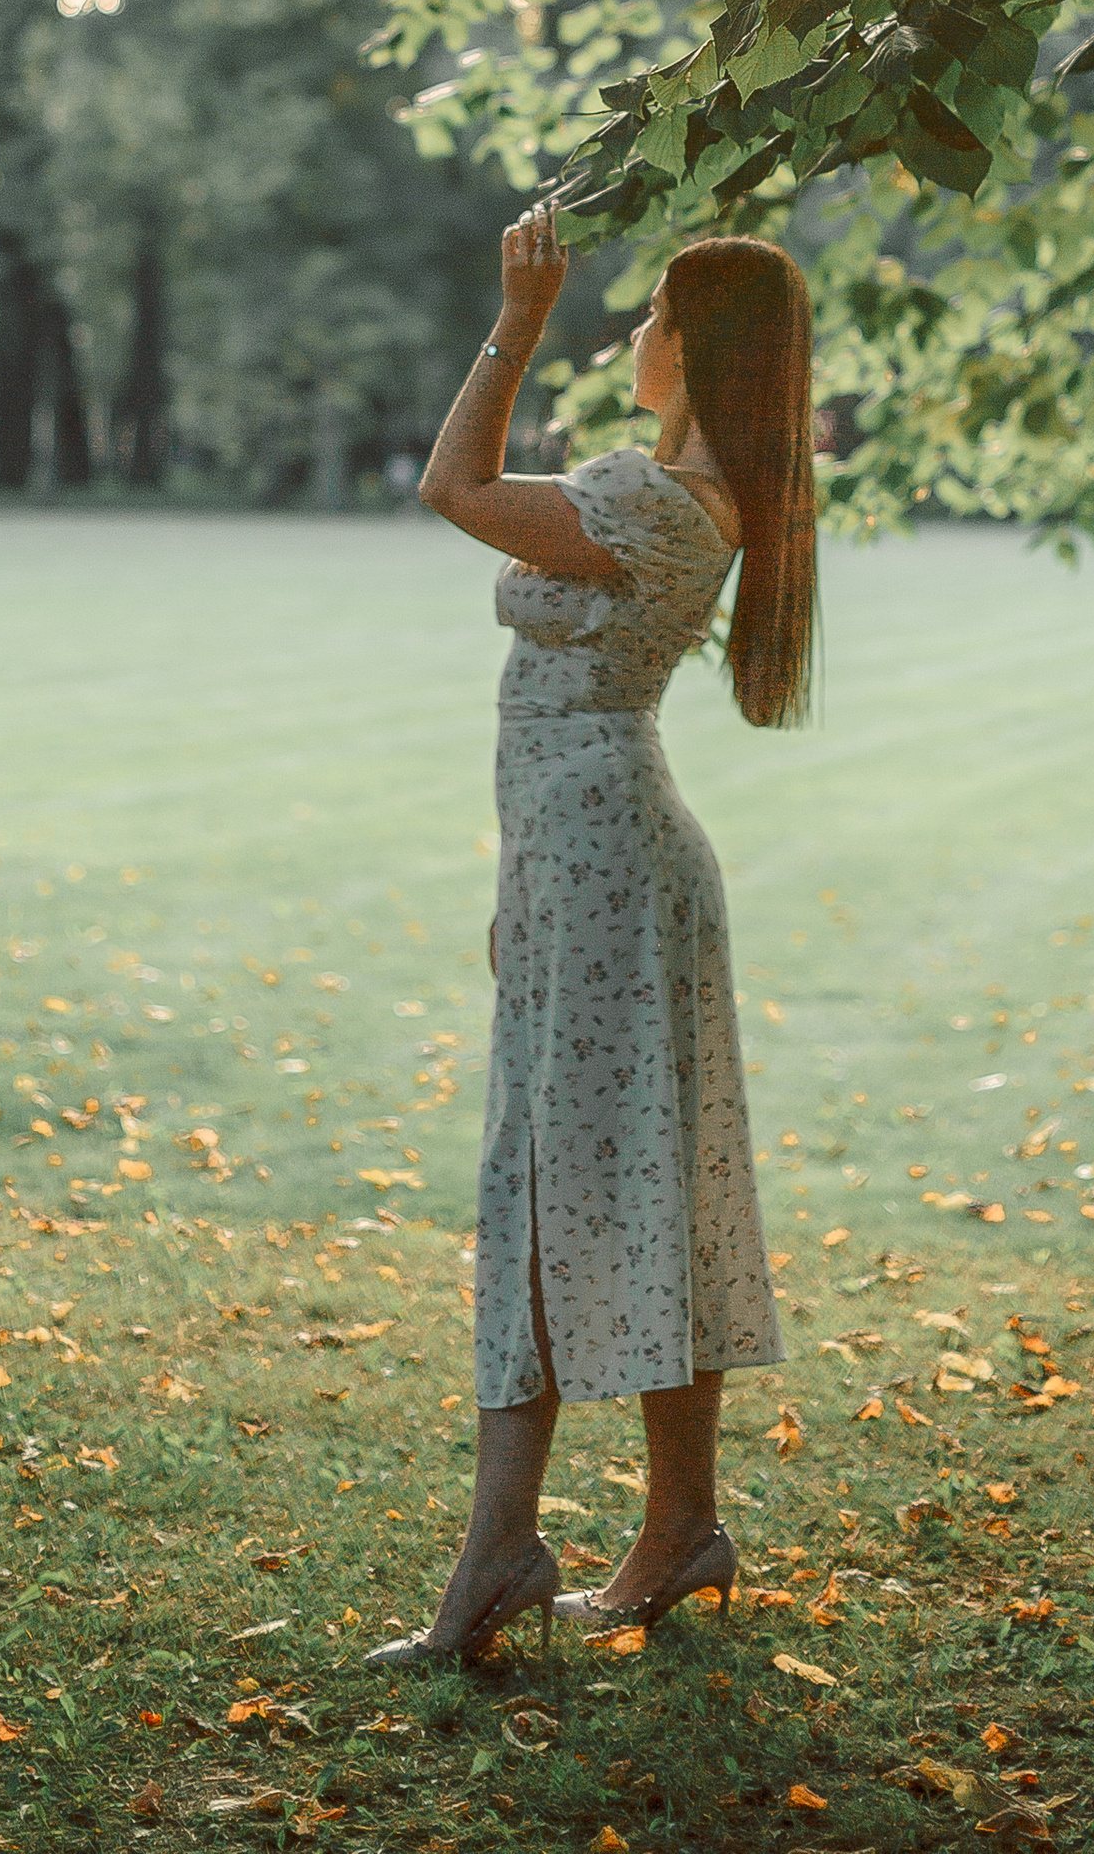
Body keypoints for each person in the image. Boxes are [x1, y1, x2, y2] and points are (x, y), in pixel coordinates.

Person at [364, 202, 817, 1670]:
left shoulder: (653, 502)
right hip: (596, 863)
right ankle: (676, 1530)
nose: (634, 337)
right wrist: (523, 887)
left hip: (613, 863)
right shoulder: (692, 497)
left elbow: (452, 481)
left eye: (651, 317)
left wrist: (518, 319)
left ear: (696, 347)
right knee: (636, 1181)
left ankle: (501, 1556)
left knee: (557, 1187)